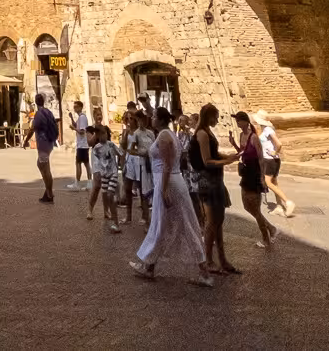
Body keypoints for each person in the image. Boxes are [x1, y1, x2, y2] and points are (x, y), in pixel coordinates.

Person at [130, 107, 214, 286]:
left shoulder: (164, 136)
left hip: (169, 182)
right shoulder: (169, 135)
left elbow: (168, 164)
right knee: (164, 224)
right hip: (170, 181)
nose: (151, 119)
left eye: (153, 116)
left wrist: (164, 189)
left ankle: (203, 271)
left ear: (159, 119)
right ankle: (149, 266)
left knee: (178, 224)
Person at [190, 104, 240, 275]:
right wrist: (227, 161)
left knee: (218, 221)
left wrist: (229, 157)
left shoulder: (207, 132)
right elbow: (207, 161)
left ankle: (222, 259)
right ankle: (209, 260)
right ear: (208, 116)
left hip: (214, 180)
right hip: (207, 181)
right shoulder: (202, 134)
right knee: (212, 222)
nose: (217, 120)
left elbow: (214, 153)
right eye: (215, 117)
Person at [231, 111, 277, 249]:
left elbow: (261, 158)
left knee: (255, 209)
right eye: (237, 121)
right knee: (247, 206)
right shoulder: (241, 136)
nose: (237, 123)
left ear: (246, 121)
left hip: (255, 175)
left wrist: (263, 177)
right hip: (245, 175)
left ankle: (266, 239)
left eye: (239, 120)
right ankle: (271, 228)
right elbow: (242, 152)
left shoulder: (253, 138)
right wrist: (233, 144)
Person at [252, 110, 296, 219]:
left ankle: (288, 202)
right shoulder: (262, 129)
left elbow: (279, 143)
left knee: (268, 182)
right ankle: (279, 207)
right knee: (274, 183)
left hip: (270, 160)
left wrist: (275, 151)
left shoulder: (267, 129)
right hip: (272, 160)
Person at [22, 91, 58, 203]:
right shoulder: (48, 112)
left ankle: (49, 193)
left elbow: (33, 129)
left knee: (45, 169)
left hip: (43, 143)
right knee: (41, 165)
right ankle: (48, 191)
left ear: (36, 103)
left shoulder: (39, 114)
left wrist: (26, 140)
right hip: (50, 142)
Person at [89, 124, 121, 232]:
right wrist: (97, 172)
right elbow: (96, 162)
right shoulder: (96, 149)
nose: (105, 135)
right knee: (108, 197)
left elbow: (120, 154)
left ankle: (116, 223)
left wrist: (123, 166)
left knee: (110, 195)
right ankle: (113, 219)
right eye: (102, 133)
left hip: (113, 173)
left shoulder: (111, 145)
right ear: (98, 135)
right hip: (104, 175)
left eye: (105, 133)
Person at [71, 100, 90, 189]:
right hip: (82, 145)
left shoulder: (82, 117)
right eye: (74, 107)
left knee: (78, 163)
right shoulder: (80, 118)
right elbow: (76, 125)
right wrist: (71, 118)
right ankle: (89, 182)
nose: (75, 109)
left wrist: (74, 129)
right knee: (86, 163)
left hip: (82, 145)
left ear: (80, 107)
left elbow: (82, 131)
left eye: (76, 107)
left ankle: (77, 183)